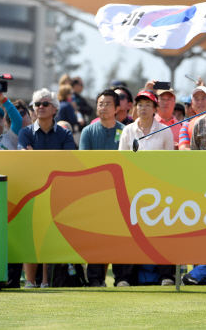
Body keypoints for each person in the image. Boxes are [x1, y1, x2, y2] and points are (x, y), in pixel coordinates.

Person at [18, 88, 75, 288]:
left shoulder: (65, 134)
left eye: (45, 104)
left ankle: (45, 280)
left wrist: (38, 158)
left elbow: (67, 163)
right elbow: (25, 160)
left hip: (57, 192)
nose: (40, 107)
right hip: (31, 190)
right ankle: (31, 281)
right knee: (31, 237)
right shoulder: (25, 133)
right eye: (37, 105)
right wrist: (50, 159)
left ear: (55, 109)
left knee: (50, 236)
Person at [118, 90, 174, 285]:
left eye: (148, 105)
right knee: (132, 234)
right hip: (133, 189)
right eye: (140, 104)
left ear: (155, 109)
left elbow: (170, 162)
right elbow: (122, 160)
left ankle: (167, 275)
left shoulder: (165, 130)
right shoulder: (128, 131)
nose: (143, 108)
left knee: (161, 232)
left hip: (159, 189)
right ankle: (126, 277)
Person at [80, 90, 126, 286]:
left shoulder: (126, 131)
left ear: (117, 108)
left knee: (121, 237)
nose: (103, 107)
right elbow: (84, 161)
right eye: (100, 103)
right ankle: (96, 279)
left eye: (107, 104)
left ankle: (122, 278)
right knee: (96, 238)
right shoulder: (88, 132)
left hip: (121, 194)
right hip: (95, 193)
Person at [178, 86, 206, 150]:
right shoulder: (186, 126)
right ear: (191, 104)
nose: (200, 102)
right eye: (196, 99)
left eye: (203, 98)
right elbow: (183, 148)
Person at [149, 82, 179, 149]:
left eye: (169, 99)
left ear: (174, 102)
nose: (165, 103)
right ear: (156, 102)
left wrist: (180, 146)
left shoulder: (182, 127)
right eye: (162, 99)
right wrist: (147, 89)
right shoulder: (148, 123)